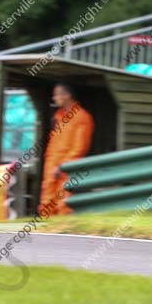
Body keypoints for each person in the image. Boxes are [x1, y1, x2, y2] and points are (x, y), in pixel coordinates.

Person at [39, 82, 94, 216]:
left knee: (64, 204)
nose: (54, 98)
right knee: (46, 202)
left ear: (67, 96)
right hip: (52, 167)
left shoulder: (82, 117)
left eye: (56, 95)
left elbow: (80, 147)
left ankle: (62, 234)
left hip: (67, 169)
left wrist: (63, 166)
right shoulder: (59, 117)